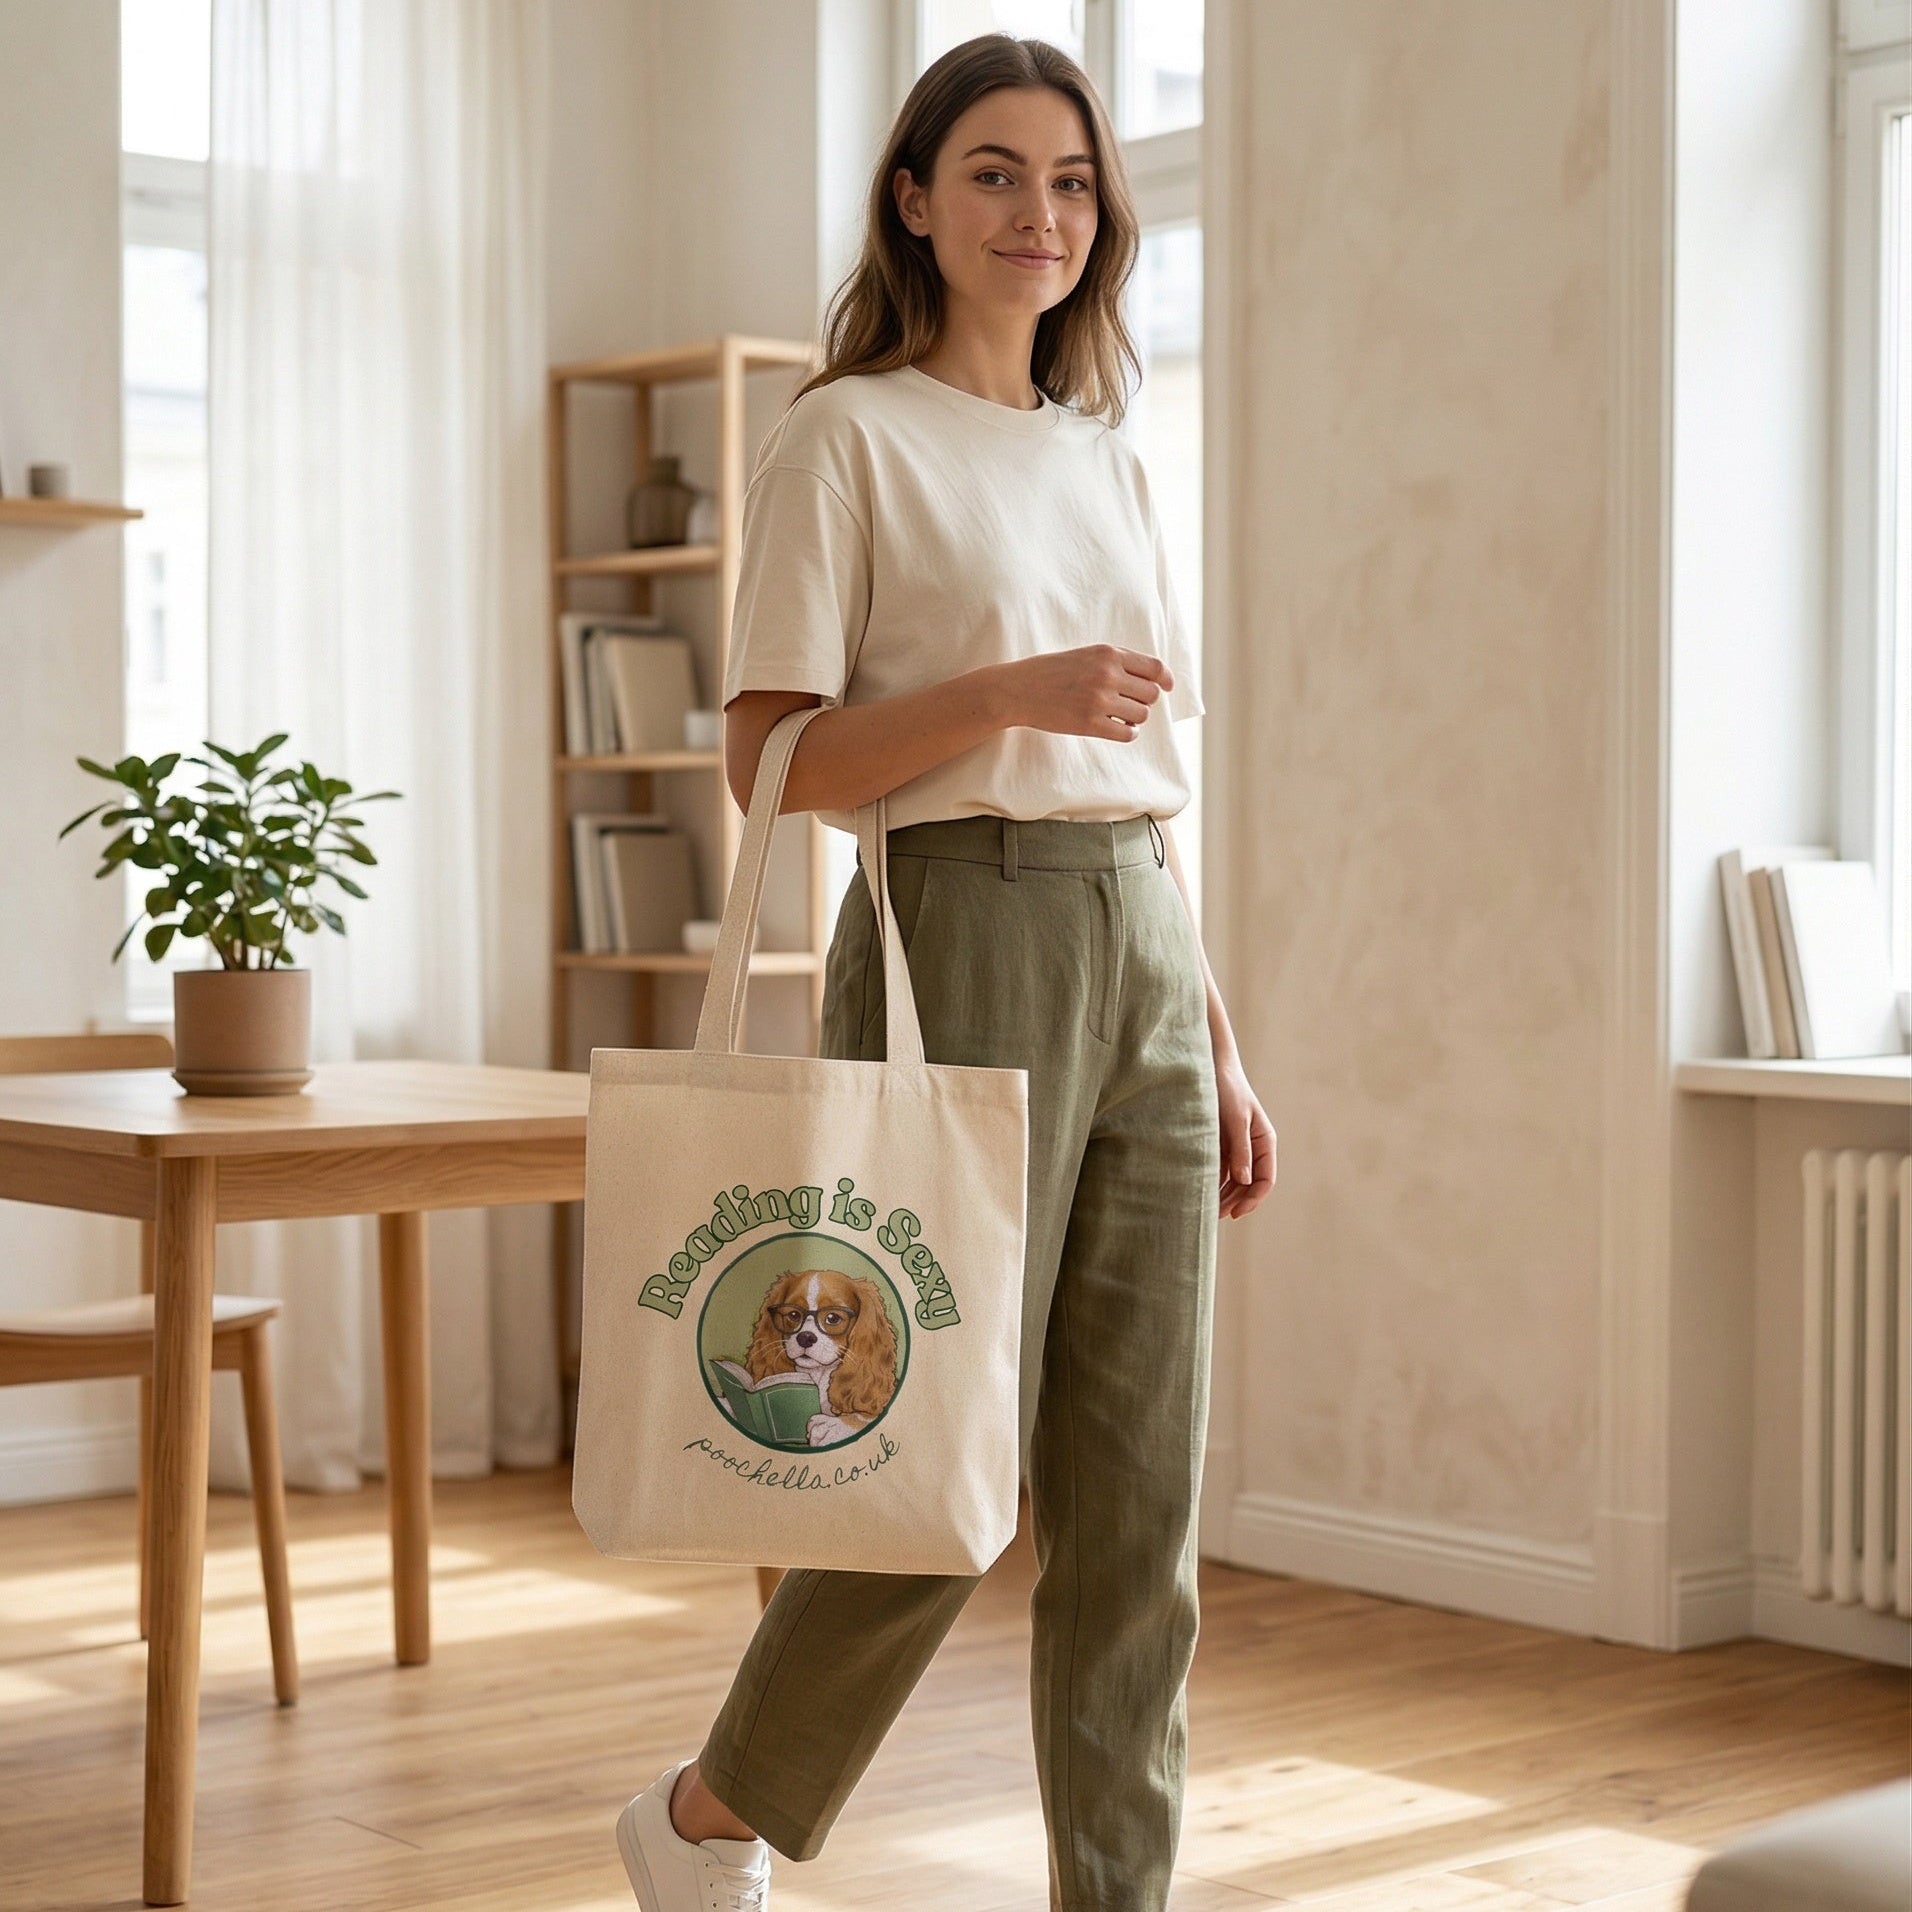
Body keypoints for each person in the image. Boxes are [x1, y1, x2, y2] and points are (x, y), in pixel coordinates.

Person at [613, 32, 1276, 1912]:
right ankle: (707, 1817)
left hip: (1142, 941)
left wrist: (1216, 1041)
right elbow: (771, 767)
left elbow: (1146, 788)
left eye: (1070, 183)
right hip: (951, 934)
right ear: (914, 196)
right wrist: (1010, 696)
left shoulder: (1110, 462)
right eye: (992, 173)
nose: (1037, 214)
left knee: (1142, 1508)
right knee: (931, 1469)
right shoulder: (846, 435)